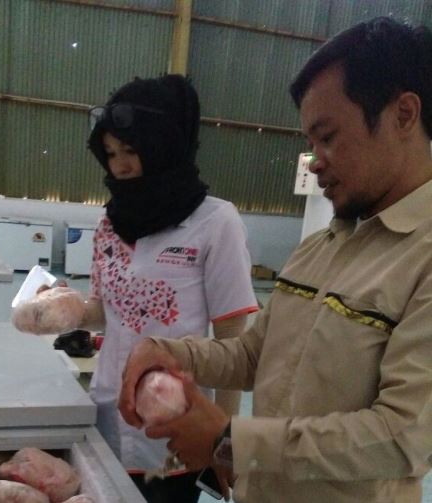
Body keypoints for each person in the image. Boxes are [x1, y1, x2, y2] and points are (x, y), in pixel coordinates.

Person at [118, 17, 432, 503]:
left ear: (404, 115)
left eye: (327, 137)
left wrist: (231, 443)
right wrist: (169, 351)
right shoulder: (323, 246)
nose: (315, 161)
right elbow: (251, 356)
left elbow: (403, 437)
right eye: (310, 143)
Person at [13, 74, 259, 503]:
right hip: (107, 404)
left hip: (172, 422)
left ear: (164, 144)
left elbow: (234, 345)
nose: (119, 165)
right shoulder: (111, 222)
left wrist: (223, 441)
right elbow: (106, 310)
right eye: (110, 153)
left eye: (131, 150)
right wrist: (68, 309)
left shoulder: (215, 223)